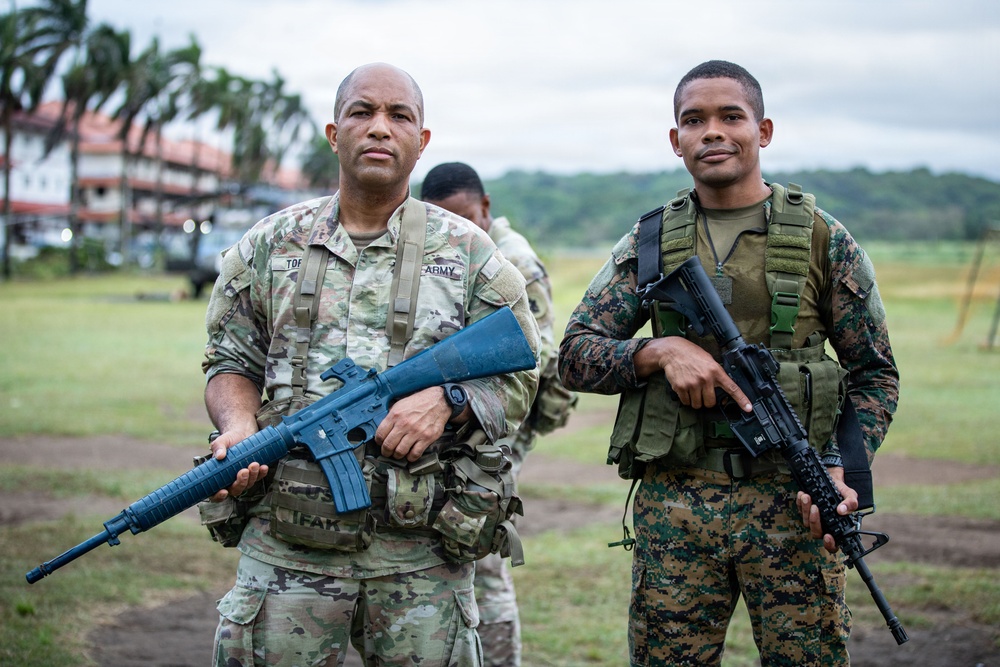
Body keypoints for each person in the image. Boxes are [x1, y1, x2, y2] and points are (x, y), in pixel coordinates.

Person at [558, 60, 899, 666]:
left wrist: (846, 473)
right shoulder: (650, 243)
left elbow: (874, 373)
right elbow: (576, 354)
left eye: (730, 117)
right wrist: (657, 351)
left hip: (794, 502)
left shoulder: (823, 238)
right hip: (677, 508)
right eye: (695, 120)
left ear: (762, 131)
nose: (712, 132)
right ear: (676, 140)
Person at [201, 62, 540, 667]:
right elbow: (230, 360)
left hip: (423, 561)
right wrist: (237, 425)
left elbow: (522, 370)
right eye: (362, 112)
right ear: (335, 134)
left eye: (398, 115)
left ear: (422, 140)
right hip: (286, 554)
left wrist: (449, 401)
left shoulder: (469, 252)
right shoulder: (267, 245)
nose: (379, 128)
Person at [421, 162, 577, 667]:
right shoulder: (449, 251)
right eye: (444, 221)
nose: (459, 230)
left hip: (502, 423)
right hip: (462, 421)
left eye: (467, 218)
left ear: (486, 209)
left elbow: (538, 356)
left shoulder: (513, 262)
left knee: (482, 553)